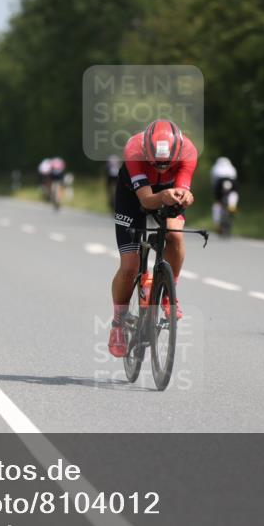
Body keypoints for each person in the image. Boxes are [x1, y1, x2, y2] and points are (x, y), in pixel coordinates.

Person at [108, 119, 198, 358]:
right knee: (130, 265)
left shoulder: (188, 151)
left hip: (167, 194)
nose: (160, 168)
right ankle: (118, 322)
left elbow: (182, 192)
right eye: (154, 163)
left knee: (174, 236)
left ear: (177, 153)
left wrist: (185, 197)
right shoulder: (134, 149)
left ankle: (169, 294)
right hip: (133, 198)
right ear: (145, 152)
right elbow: (147, 201)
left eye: (166, 164)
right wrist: (166, 195)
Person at [210, 156, 239, 231]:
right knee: (234, 194)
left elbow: (213, 181)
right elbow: (235, 178)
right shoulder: (232, 168)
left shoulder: (215, 168)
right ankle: (232, 206)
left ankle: (216, 223)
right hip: (231, 182)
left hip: (219, 183)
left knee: (217, 203)